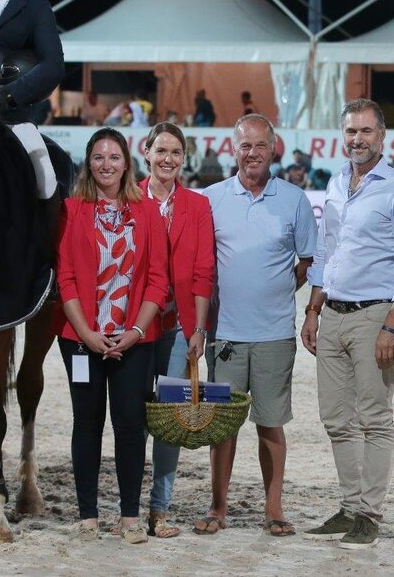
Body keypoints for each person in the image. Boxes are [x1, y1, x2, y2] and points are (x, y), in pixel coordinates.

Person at [300, 99, 394, 549]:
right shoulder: (335, 184)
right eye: (351, 131)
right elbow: (325, 254)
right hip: (332, 314)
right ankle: (350, 507)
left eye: (366, 131)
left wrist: (393, 324)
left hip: (376, 316)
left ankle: (369, 514)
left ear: (382, 136)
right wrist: (313, 310)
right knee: (336, 418)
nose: (358, 139)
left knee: (374, 418)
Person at [194, 114, 318, 538]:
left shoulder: (294, 200)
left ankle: (274, 508)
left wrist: (278, 289)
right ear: (234, 149)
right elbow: (201, 265)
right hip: (225, 336)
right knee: (222, 427)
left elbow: (308, 261)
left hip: (275, 335)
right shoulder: (211, 199)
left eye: (260, 145)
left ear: (273, 148)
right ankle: (217, 507)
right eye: (245, 145)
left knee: (271, 424)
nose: (253, 153)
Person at [53, 127, 169, 544]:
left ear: (126, 163)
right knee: (87, 424)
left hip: (135, 340)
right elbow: (65, 278)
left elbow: (158, 280)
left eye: (114, 157)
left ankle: (130, 517)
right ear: (89, 163)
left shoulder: (148, 211)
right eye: (99, 157)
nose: (106, 165)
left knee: (130, 425)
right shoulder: (71, 210)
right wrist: (86, 333)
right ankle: (88, 516)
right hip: (80, 340)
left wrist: (136, 331)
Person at [139, 122, 216, 539]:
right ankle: (128, 507)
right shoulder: (129, 198)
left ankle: (159, 509)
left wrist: (198, 328)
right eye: (161, 151)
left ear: (184, 159)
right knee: (133, 417)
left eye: (175, 153)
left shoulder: (197, 206)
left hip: (180, 326)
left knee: (170, 417)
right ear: (146, 152)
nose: (167, 159)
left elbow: (204, 271)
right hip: (136, 329)